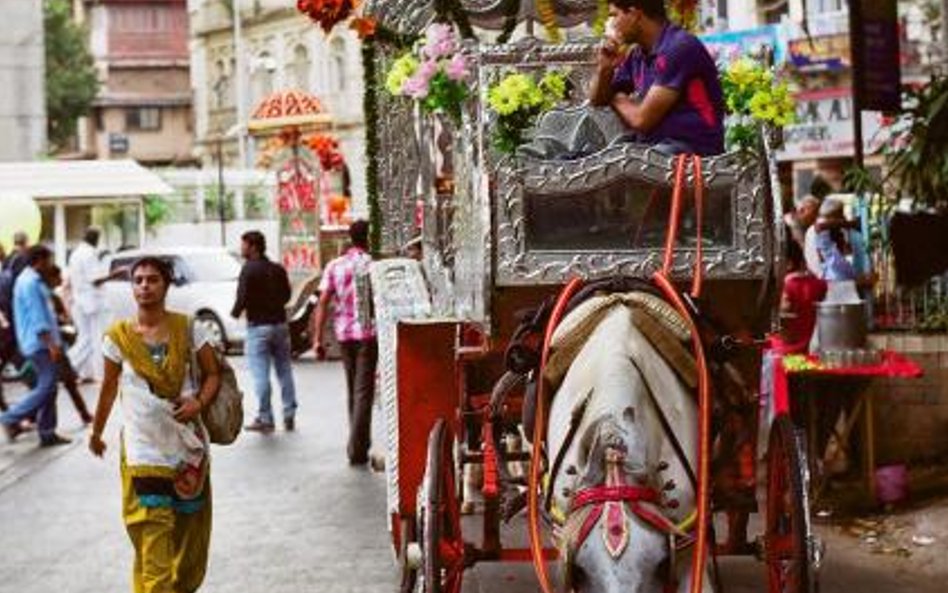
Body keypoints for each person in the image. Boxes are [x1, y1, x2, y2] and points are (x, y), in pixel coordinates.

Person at [89, 256, 220, 593]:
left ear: (167, 285)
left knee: (189, 535)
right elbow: (107, 389)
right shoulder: (118, 337)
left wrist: (198, 403)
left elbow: (213, 374)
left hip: (186, 450)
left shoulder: (190, 327)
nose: (145, 286)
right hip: (143, 452)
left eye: (152, 280)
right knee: (152, 532)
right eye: (139, 280)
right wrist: (96, 432)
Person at [589, 0, 725, 155]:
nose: (611, 24)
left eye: (614, 15)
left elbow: (641, 121)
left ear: (634, 14)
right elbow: (597, 100)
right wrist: (604, 69)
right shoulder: (637, 54)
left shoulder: (679, 47)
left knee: (622, 163)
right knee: (576, 160)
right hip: (654, 148)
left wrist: (613, 96)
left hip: (693, 150)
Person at [312, 220, 377, 466]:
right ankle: (357, 448)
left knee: (353, 390)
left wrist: (318, 339)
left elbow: (323, 303)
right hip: (368, 336)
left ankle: (357, 443)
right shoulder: (373, 265)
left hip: (344, 336)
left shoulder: (334, 265)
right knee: (363, 392)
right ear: (368, 238)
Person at [0, 245, 69, 446]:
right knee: (46, 386)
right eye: (48, 260)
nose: (50, 265)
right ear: (39, 260)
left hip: (40, 342)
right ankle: (9, 418)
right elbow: (39, 319)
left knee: (50, 387)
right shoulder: (29, 282)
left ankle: (47, 432)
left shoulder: (32, 281)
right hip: (39, 343)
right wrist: (51, 345)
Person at [232, 230, 297, 433]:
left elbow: (241, 298)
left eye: (243, 245)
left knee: (261, 375)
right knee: (284, 371)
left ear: (252, 246)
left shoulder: (248, 270)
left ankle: (265, 417)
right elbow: (287, 296)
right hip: (279, 325)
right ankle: (289, 413)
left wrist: (235, 314)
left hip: (258, 327)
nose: (241, 249)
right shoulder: (277, 268)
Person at [43, 264, 93, 424]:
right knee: (60, 383)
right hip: (52, 345)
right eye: (58, 277)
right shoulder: (47, 295)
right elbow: (61, 317)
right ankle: (84, 413)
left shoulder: (50, 294)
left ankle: (84, 413)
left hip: (55, 343)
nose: (61, 280)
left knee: (66, 382)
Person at [780, 239, 827, 353]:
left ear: (788, 264)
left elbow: (783, 313)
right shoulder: (819, 283)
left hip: (785, 351)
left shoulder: (785, 285)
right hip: (812, 349)